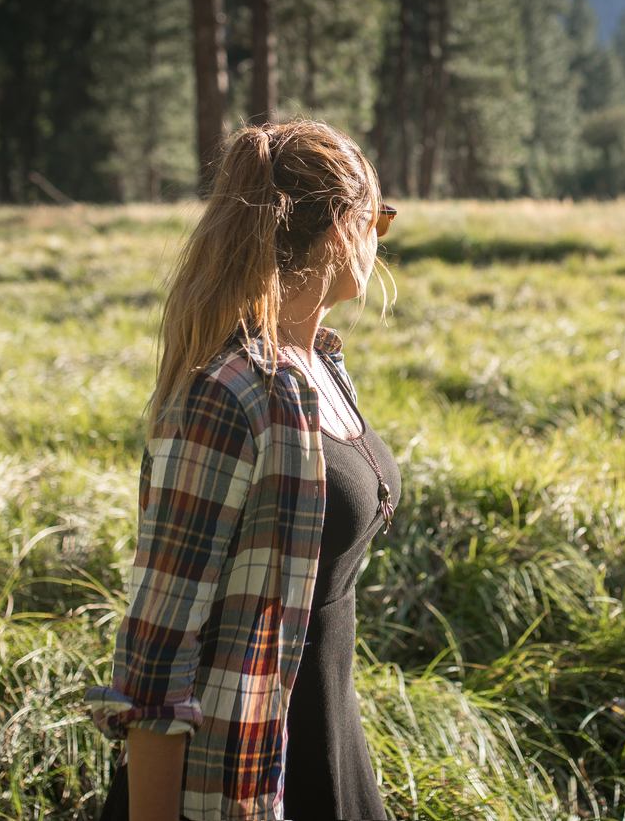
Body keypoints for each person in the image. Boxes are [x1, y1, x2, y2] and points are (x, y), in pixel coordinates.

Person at [84, 118, 402, 821]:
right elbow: (157, 649)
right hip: (229, 771)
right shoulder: (229, 394)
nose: (383, 235)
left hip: (324, 731)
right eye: (379, 215)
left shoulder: (320, 362)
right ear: (341, 226)